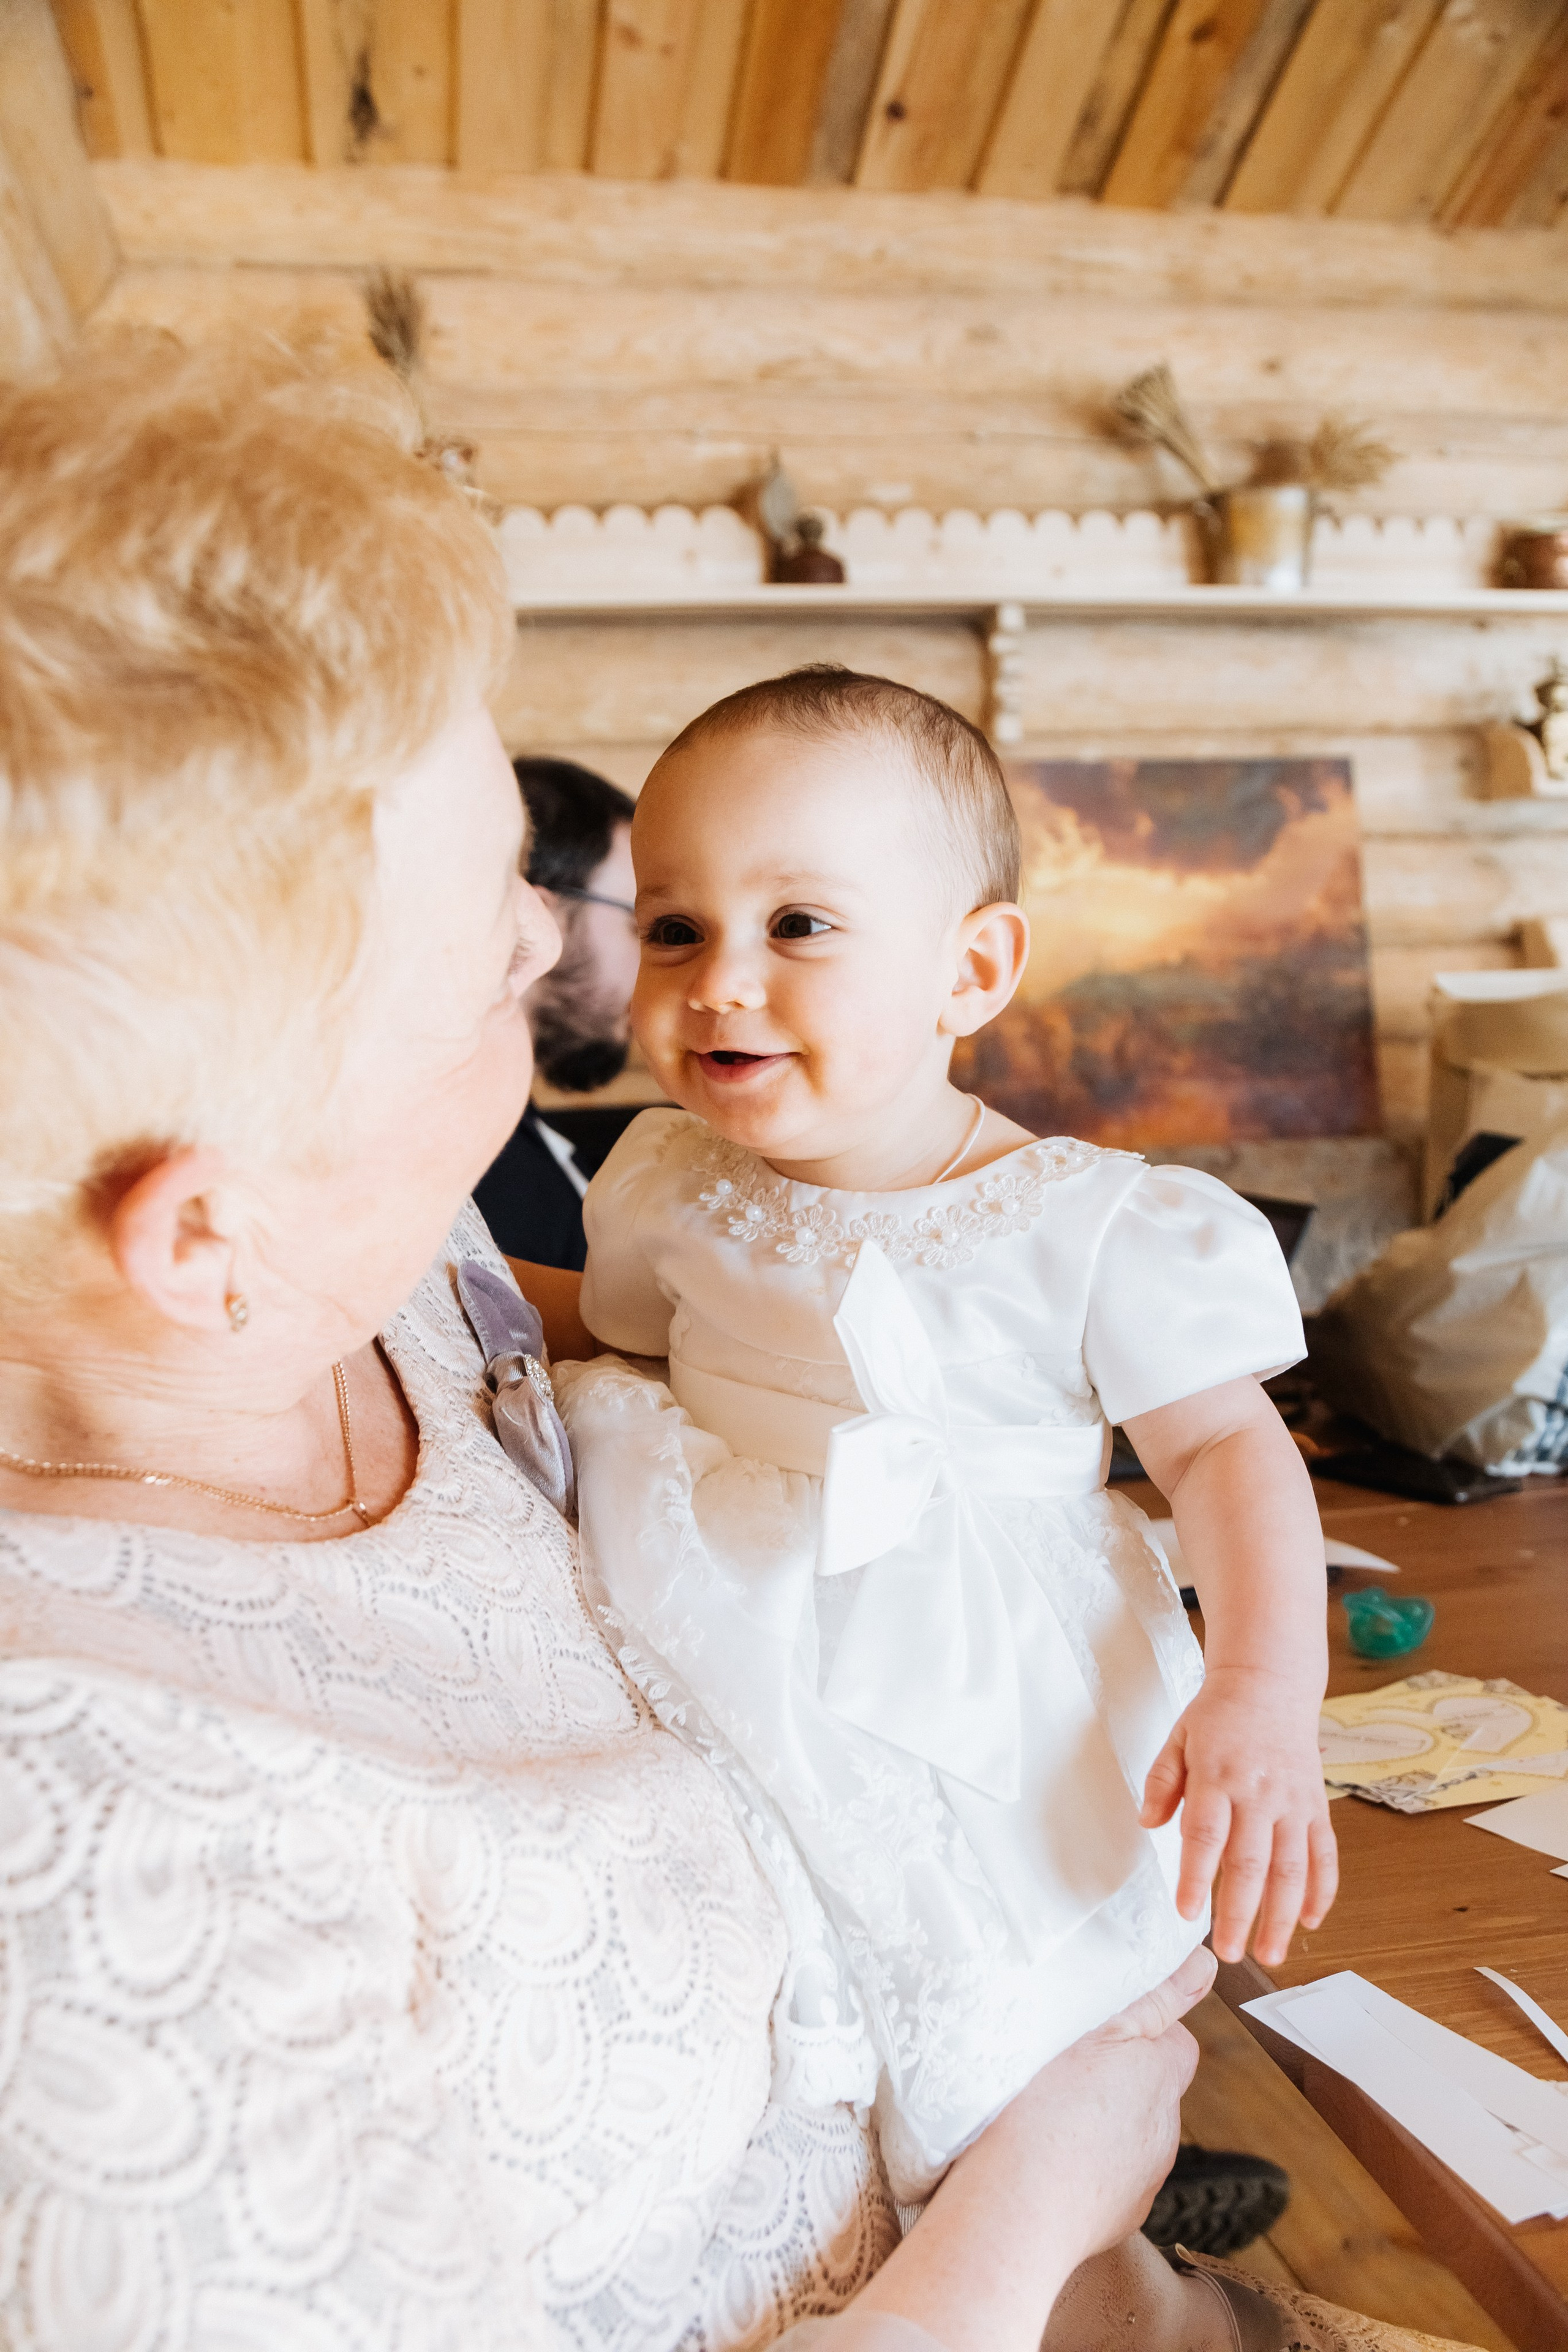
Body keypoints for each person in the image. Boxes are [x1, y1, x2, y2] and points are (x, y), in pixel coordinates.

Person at [0, 340, 1468, 2352]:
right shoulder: (103, 1897)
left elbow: (706, 1333)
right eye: (502, 974)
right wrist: (1036, 2205)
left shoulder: (412, 1292)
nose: (590, 981)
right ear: (207, 1237)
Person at [559, 666, 1340, 2206]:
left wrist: (1262, 1692)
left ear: (968, 968)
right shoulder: (661, 1179)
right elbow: (614, 1350)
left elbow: (1227, 1456)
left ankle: (1084, 2167)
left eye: (797, 925)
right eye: (672, 926)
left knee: (1013, 1935)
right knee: (795, 1940)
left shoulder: (1087, 1224)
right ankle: (826, 2196)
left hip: (990, 1658)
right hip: (716, 1608)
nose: (719, 979)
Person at [472, 756, 642, 1269]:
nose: (663, 971)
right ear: (535, 916)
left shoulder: (530, 1136)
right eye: (643, 926)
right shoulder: (472, 1163)